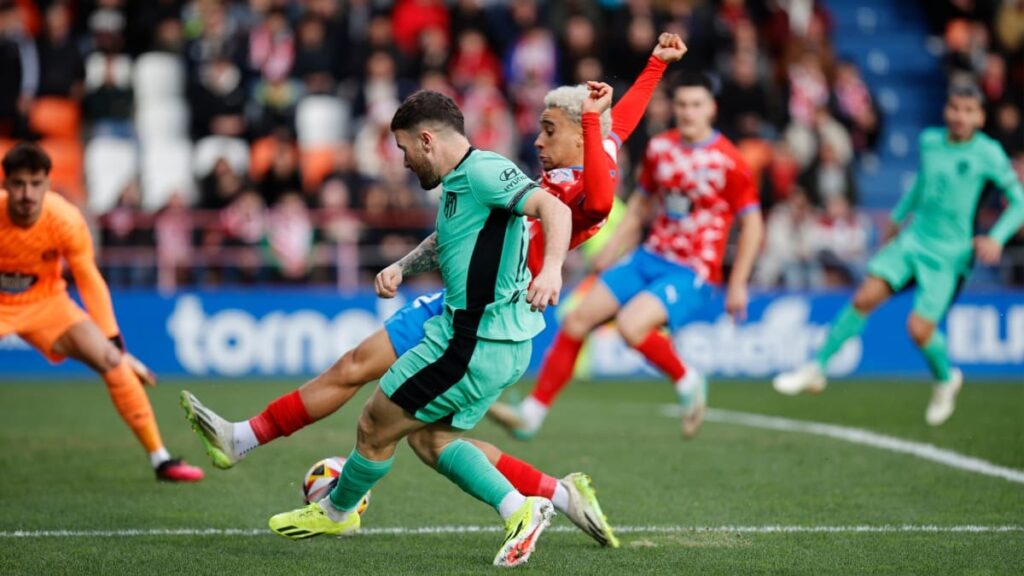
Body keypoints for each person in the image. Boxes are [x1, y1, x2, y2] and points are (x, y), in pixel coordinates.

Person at [181, 33, 687, 547]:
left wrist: (552, 266)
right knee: (357, 368)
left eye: (548, 130)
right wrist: (654, 64)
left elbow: (597, 198)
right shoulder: (569, 156)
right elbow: (617, 123)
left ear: (579, 135)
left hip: (492, 309)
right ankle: (241, 438)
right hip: (455, 299)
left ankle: (359, 506)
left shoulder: (579, 185)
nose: (537, 141)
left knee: (419, 433)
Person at [266, 90, 572, 567]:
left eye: (406, 149)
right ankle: (520, 508)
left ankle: (338, 510)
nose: (405, 161)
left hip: (471, 342)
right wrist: (404, 266)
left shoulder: (485, 171)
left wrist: (551, 270)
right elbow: (448, 238)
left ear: (427, 140)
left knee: (373, 423)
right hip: (493, 343)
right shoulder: (458, 182)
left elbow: (557, 210)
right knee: (432, 440)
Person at [489, 71, 764, 441]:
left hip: (693, 267)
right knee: (577, 320)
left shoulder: (729, 161)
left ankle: (688, 379)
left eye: (696, 105)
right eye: (681, 104)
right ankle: (532, 414)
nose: (687, 112)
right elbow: (640, 207)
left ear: (711, 109)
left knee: (633, 326)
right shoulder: (661, 149)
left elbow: (753, 224)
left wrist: (739, 283)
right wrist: (614, 248)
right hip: (649, 256)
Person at [773, 84, 1024, 425]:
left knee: (919, 329)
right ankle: (816, 368)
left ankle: (946, 379)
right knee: (864, 297)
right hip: (914, 238)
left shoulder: (989, 154)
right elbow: (923, 184)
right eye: (955, 108)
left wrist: (995, 238)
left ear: (980, 116)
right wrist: (896, 217)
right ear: (946, 110)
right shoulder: (931, 141)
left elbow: (1019, 203)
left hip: (949, 254)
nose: (960, 117)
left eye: (969, 111)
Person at [0, 142, 203, 482]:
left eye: (35, 184)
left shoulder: (64, 218)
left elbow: (89, 279)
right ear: (5, 185)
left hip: (46, 302)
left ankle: (162, 460)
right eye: (19, 184)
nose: (27, 193)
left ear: (48, 184)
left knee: (112, 362)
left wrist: (117, 347)